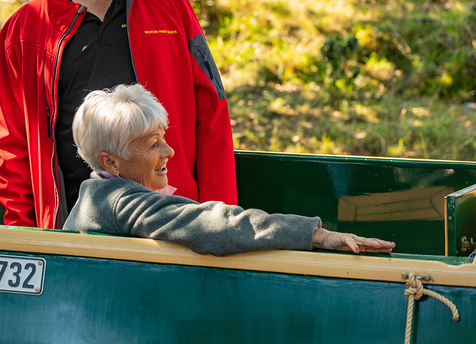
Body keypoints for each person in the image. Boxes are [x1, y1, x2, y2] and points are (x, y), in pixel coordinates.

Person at [0, 0, 236, 229]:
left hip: (175, 221)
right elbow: (14, 148)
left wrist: (220, 220)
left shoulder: (171, 4)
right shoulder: (24, 29)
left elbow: (212, 114)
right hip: (73, 230)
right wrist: (24, 238)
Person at [64, 84, 396, 256]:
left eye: (163, 138)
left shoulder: (99, 194)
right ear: (110, 162)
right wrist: (317, 235)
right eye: (152, 144)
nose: (169, 151)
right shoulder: (118, 201)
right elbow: (211, 225)